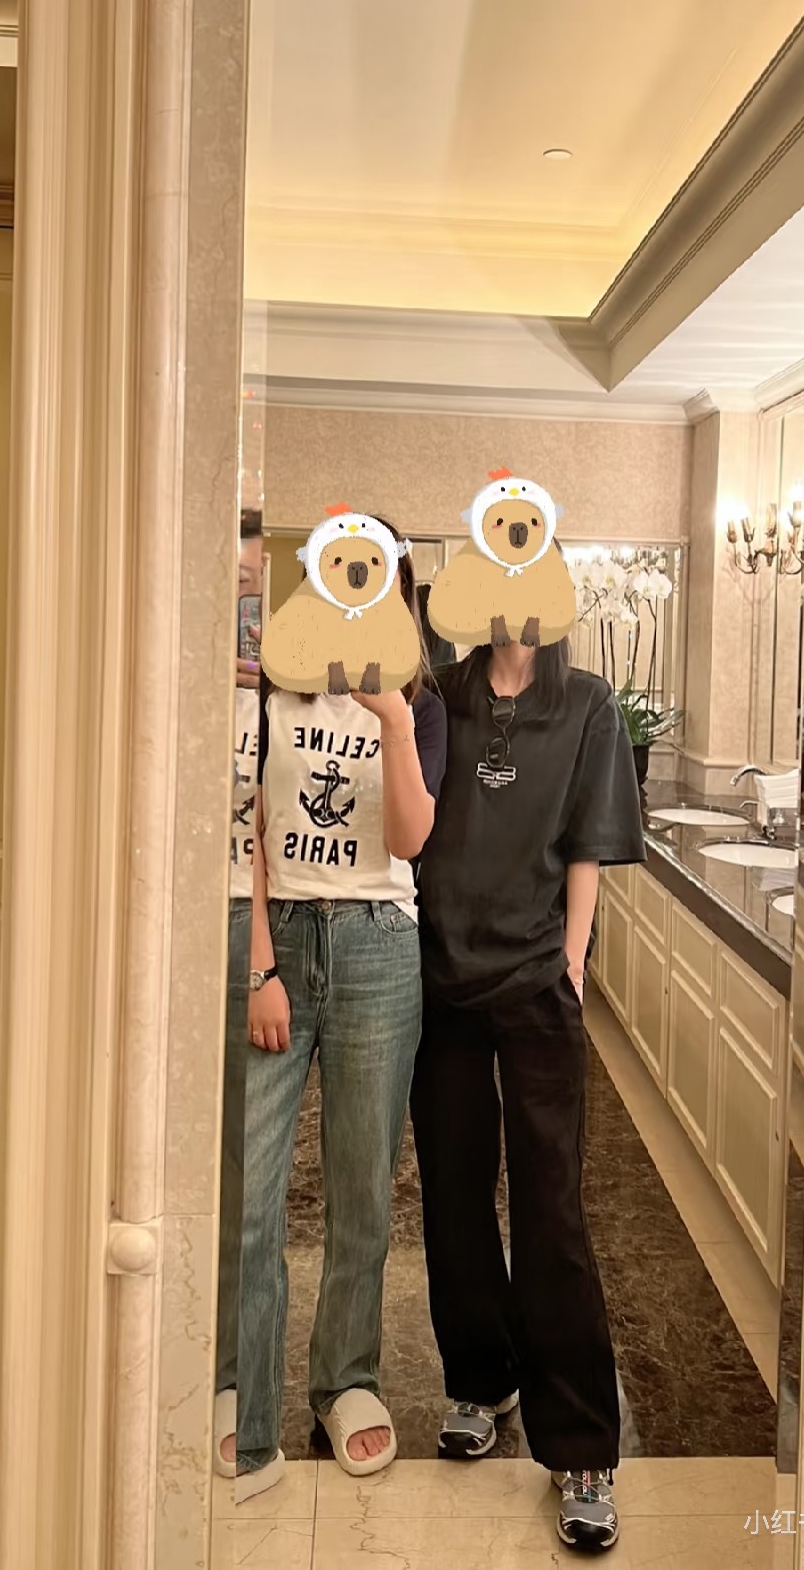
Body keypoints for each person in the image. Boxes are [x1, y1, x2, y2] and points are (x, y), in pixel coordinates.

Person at [223, 516, 447, 1500]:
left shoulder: (421, 707)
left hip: (377, 948)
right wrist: (258, 967)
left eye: (377, 581)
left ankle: (346, 1379)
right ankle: (241, 1389)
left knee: (361, 1191)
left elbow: (410, 839)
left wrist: (392, 720)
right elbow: (251, 834)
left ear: (397, 596)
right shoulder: (268, 695)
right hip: (279, 942)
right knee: (250, 1193)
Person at [410, 625, 645, 1554]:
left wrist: (574, 958)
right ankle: (481, 1376)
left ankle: (582, 1447)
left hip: (541, 978)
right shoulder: (439, 693)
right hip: (440, 976)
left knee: (553, 1208)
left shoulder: (586, 705)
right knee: (454, 1196)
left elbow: (588, 843)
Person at [214, 511, 264, 1481]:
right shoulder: (168, 684)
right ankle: (210, 1366)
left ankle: (231, 1373)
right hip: (168, 921)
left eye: (255, 590)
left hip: (248, 914)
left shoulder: (282, 694)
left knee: (243, 1163)